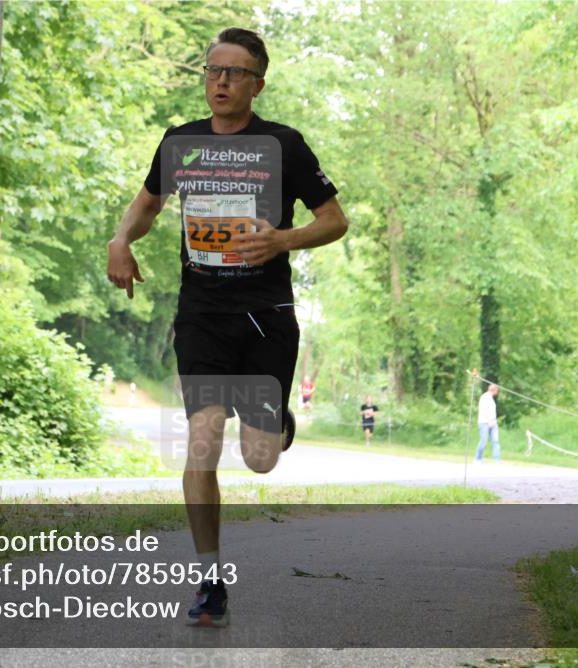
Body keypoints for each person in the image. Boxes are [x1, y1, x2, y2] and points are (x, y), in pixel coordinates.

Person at [106, 27, 349, 627]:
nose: (220, 80)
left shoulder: (283, 144)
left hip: (266, 315)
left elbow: (334, 219)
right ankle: (209, 579)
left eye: (235, 72)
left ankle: (275, 419)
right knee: (203, 439)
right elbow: (147, 204)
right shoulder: (180, 142)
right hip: (203, 314)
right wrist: (120, 240)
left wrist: (284, 239)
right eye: (213, 70)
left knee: (260, 458)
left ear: (257, 83)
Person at [474, 383, 501, 462]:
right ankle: (477, 458)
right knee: (483, 441)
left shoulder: (491, 398)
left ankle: (497, 460)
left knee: (495, 441)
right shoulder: (485, 397)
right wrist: (489, 420)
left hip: (493, 423)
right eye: (497, 390)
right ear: (494, 390)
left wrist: (493, 421)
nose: (497, 392)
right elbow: (484, 410)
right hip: (484, 423)